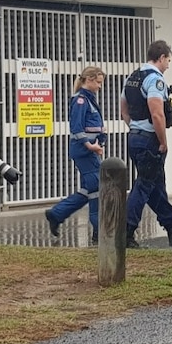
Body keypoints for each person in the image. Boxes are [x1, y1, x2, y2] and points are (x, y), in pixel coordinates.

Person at [120, 40, 172, 248]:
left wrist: (135, 127)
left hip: (135, 135)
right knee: (143, 185)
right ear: (161, 58)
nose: (168, 65)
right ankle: (126, 231)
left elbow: (124, 109)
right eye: (168, 60)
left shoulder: (133, 77)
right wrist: (162, 142)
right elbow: (157, 113)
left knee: (156, 185)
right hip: (150, 140)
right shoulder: (155, 80)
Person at [44, 66, 107, 242]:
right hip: (84, 151)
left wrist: (98, 142)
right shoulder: (80, 100)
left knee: (87, 190)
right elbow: (77, 128)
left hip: (88, 151)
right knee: (97, 188)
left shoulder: (88, 99)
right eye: (99, 83)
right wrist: (90, 145)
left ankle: (56, 214)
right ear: (90, 79)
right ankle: (99, 230)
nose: (100, 87)